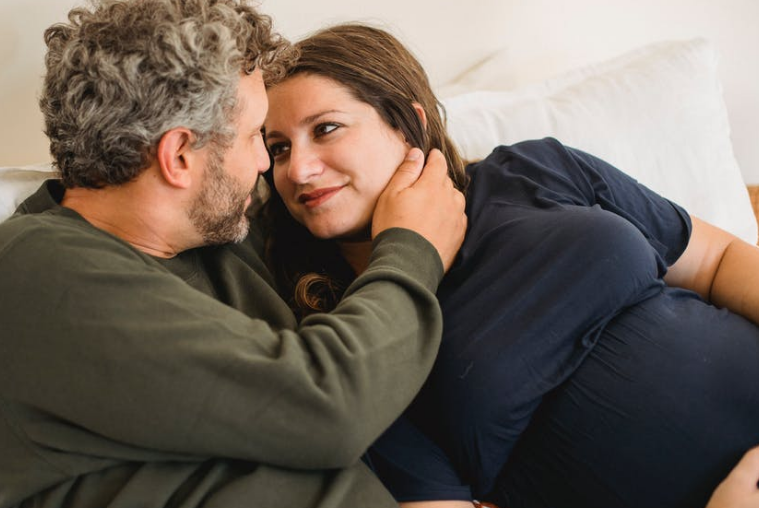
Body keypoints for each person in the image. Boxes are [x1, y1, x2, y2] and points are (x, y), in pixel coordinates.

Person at [261, 23, 759, 508]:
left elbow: (716, 260)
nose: (298, 169)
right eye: (278, 149)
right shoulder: (354, 338)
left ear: (408, 123)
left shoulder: (533, 169)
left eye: (326, 129)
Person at [0, 1, 468, 506]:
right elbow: (328, 403)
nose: (267, 164)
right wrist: (412, 249)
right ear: (179, 156)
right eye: (255, 138)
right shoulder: (41, 272)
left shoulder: (213, 239)